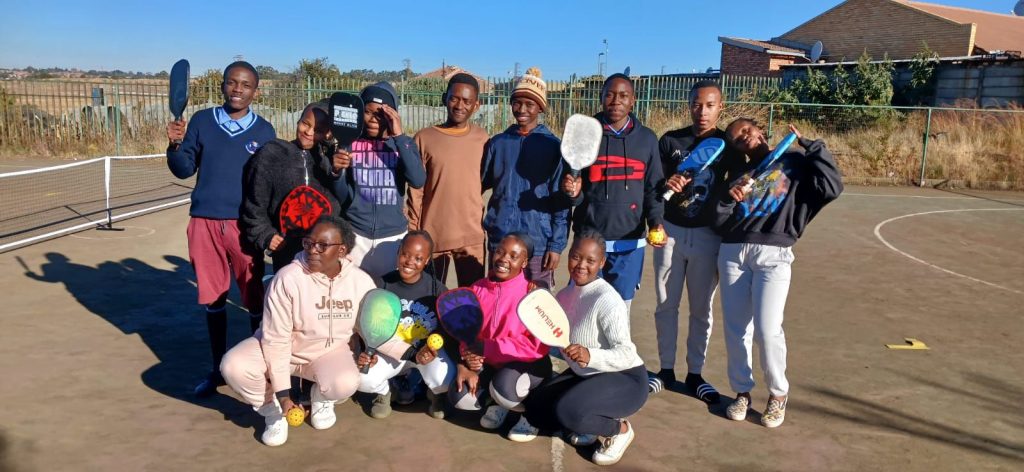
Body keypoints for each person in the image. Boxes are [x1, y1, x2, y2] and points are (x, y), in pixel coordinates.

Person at [715, 121, 843, 428]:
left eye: (746, 131)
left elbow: (832, 187)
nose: (744, 138)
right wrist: (725, 199)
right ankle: (742, 391)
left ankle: (778, 393)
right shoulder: (737, 176)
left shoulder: (794, 163)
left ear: (760, 129)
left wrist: (813, 146)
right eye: (736, 140)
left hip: (774, 253)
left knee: (768, 329)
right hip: (733, 253)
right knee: (736, 329)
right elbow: (719, 221)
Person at [166, 60, 276, 397]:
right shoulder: (201, 121)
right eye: (232, 83)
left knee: (254, 299)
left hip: (244, 227)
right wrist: (173, 146)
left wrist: (268, 227)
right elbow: (183, 169)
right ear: (223, 85)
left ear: (255, 91)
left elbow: (268, 184)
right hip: (204, 224)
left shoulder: (264, 132)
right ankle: (218, 371)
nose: (238, 90)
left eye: (245, 85)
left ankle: (261, 369)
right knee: (213, 300)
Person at [220, 216, 377, 446]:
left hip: (327, 353)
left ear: (342, 250)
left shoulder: (361, 282)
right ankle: (273, 412)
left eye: (322, 246)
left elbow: (372, 325)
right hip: (281, 349)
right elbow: (276, 340)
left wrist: (382, 351)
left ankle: (321, 398)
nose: (313, 250)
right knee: (233, 366)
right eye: (308, 243)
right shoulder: (287, 279)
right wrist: (283, 395)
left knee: (346, 382)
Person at [649, 80, 743, 400]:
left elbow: (745, 182)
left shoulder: (728, 145)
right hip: (671, 232)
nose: (702, 111)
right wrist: (666, 185)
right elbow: (655, 189)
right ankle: (664, 370)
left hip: (708, 237)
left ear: (721, 107)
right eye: (697, 104)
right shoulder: (670, 141)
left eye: (710, 105)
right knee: (666, 305)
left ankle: (695, 374)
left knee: (702, 309)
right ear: (689, 105)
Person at [523, 231, 647, 466]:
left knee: (569, 412)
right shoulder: (564, 295)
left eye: (590, 261)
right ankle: (588, 412)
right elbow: (556, 340)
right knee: (535, 407)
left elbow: (627, 353)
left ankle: (619, 429)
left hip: (626, 379)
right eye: (576, 257)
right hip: (585, 376)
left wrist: (590, 355)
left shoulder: (608, 300)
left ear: (601, 263)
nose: (581, 266)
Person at [561, 73, 665, 309]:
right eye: (609, 94)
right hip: (589, 241)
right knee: (580, 309)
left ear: (633, 100)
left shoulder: (647, 139)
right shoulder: (584, 134)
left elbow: (652, 188)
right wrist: (572, 192)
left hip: (628, 243)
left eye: (623, 96)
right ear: (601, 98)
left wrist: (656, 221)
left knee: (618, 311)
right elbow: (572, 192)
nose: (616, 101)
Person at [448, 232, 551, 442]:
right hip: (490, 363)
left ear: (524, 262)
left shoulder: (531, 296)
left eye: (513, 256)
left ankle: (532, 414)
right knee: (459, 396)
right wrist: (466, 359)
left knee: (504, 388)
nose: (504, 259)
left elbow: (536, 347)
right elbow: (466, 331)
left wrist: (487, 348)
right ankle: (497, 403)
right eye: (500, 252)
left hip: (527, 366)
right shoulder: (477, 288)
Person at [481, 67, 569, 289]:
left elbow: (561, 202)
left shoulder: (554, 147)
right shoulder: (498, 144)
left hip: (538, 243)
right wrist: (490, 225)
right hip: (501, 241)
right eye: (517, 102)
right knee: (499, 300)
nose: (522, 109)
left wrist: (556, 246)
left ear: (540, 107)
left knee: (537, 307)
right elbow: (477, 187)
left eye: (530, 104)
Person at [357, 231, 457, 419]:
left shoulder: (437, 290)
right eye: (405, 254)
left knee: (446, 376)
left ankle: (435, 395)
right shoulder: (381, 285)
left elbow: (447, 329)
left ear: (427, 261)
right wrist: (368, 351)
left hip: (424, 353)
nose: (410, 261)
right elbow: (370, 326)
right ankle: (385, 392)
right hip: (389, 353)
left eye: (418, 258)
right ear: (398, 253)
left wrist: (433, 349)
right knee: (362, 378)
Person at [330, 81, 426, 278]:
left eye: (381, 114)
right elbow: (343, 196)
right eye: (367, 112)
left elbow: (417, 179)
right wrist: (337, 173)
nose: (373, 119)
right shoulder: (349, 143)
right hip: (356, 234)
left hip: (392, 238)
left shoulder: (402, 145)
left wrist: (398, 136)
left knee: (385, 299)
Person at [407, 73, 490, 287]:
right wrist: (415, 230)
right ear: (445, 98)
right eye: (454, 98)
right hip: (433, 235)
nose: (460, 105)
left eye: (467, 101)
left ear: (477, 105)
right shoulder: (425, 138)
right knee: (430, 301)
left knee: (471, 303)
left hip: (471, 236)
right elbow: (416, 191)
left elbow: (486, 180)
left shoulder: (483, 140)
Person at [241, 101, 339, 272]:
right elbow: (254, 205)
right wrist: (265, 235)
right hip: (286, 249)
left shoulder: (332, 161)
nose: (309, 132)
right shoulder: (271, 155)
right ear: (298, 120)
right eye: (305, 124)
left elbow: (342, 204)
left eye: (318, 130)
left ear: (328, 133)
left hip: (324, 250)